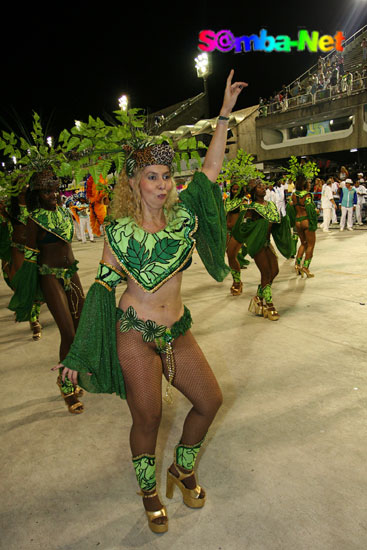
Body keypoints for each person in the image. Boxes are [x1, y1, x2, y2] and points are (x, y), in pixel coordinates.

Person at [53, 71, 247, 534]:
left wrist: (222, 115)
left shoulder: (185, 219)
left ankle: (182, 469)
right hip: (134, 333)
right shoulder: (118, 232)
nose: (163, 185)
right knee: (149, 416)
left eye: (166, 177)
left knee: (209, 401)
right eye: (152, 177)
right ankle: (148, 491)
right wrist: (79, 353)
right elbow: (101, 291)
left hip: (177, 329)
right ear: (134, 184)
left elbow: (211, 170)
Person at [8, 170, 85, 414]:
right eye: (46, 191)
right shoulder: (34, 220)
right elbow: (30, 258)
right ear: (37, 195)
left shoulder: (63, 211)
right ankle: (65, 384)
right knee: (68, 333)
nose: (53, 195)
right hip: (49, 276)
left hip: (71, 273)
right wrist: (27, 288)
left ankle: (73, 373)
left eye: (55, 190)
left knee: (80, 328)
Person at [228, 179, 292, 321]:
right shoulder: (251, 209)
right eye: (259, 187)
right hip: (257, 244)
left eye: (263, 185)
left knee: (275, 271)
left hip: (267, 243)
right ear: (253, 191)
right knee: (266, 273)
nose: (263, 188)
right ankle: (269, 305)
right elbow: (244, 227)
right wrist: (254, 232)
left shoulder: (271, 205)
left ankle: (258, 297)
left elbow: (276, 223)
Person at [287, 175, 318, 278]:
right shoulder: (307, 195)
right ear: (305, 184)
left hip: (298, 221)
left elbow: (291, 206)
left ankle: (297, 264)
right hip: (306, 221)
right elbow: (309, 208)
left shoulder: (294, 195)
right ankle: (305, 267)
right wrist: (315, 212)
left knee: (303, 243)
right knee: (310, 245)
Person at [224, 178, 250, 295]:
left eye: (236, 189)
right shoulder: (227, 201)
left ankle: (237, 283)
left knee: (231, 255)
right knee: (230, 258)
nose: (234, 191)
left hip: (237, 232)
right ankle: (237, 281)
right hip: (227, 231)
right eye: (233, 189)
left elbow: (245, 215)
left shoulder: (244, 200)